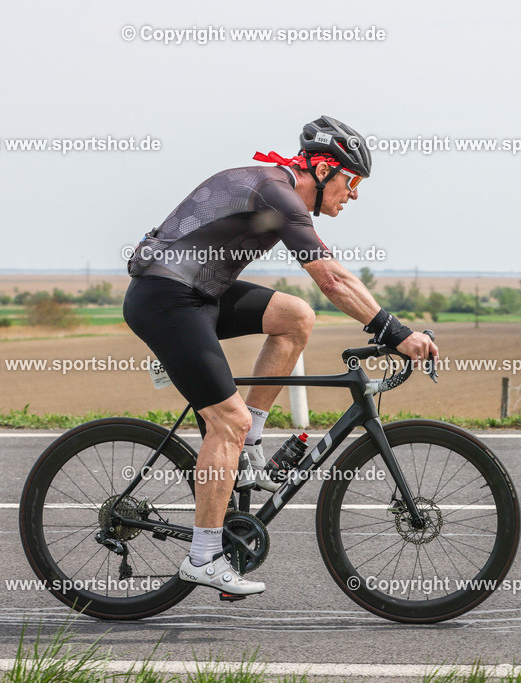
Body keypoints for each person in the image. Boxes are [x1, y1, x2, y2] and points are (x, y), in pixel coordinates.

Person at [122, 115, 439, 597]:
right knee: (223, 422)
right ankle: (204, 556)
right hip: (166, 300)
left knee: (295, 316)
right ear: (325, 169)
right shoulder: (278, 194)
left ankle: (249, 442)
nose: (353, 195)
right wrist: (393, 332)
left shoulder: (275, 189)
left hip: (198, 295)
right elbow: (331, 278)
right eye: (351, 182)